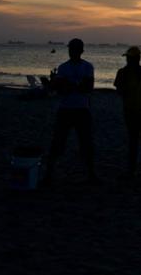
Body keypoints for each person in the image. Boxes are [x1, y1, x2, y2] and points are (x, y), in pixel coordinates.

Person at [42, 38, 97, 187]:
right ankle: (49, 174)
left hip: (81, 109)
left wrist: (69, 85)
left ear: (80, 51)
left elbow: (88, 88)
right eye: (71, 49)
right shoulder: (63, 67)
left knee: (86, 143)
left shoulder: (87, 67)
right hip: (66, 109)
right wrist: (75, 85)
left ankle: (91, 174)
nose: (72, 52)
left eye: (74, 49)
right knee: (58, 143)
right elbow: (61, 88)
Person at [114, 46, 141, 182]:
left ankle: (133, 172)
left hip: (134, 111)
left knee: (135, 141)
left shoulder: (124, 72)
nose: (127, 60)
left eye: (128, 57)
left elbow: (119, 91)